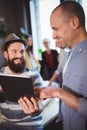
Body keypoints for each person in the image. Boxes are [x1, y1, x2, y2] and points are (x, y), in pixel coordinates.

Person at [37, 1, 87, 130]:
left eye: (56, 29)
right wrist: (52, 92)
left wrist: (58, 92)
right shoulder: (71, 54)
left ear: (74, 23)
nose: (53, 36)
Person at [0, 33, 44, 130]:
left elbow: (41, 105)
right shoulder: (1, 74)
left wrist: (35, 111)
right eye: (14, 51)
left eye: (22, 51)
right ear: (6, 54)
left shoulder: (34, 74)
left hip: (31, 126)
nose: (19, 55)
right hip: (6, 126)